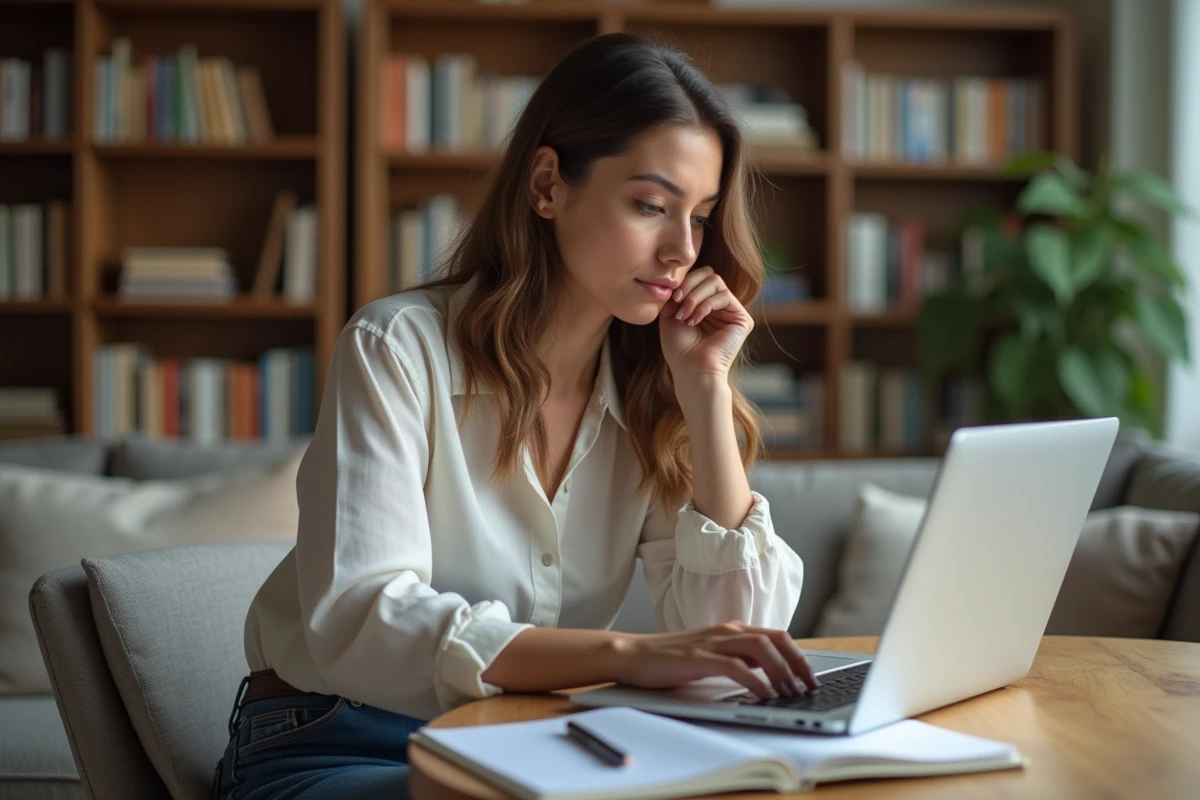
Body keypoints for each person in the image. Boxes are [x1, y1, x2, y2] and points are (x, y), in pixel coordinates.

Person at [213, 31, 816, 800]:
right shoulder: (398, 348)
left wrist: (704, 390)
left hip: (525, 743)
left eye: (700, 217)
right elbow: (363, 622)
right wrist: (625, 655)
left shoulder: (653, 390)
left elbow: (742, 639)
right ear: (547, 185)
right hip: (333, 739)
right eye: (650, 205)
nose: (681, 251)